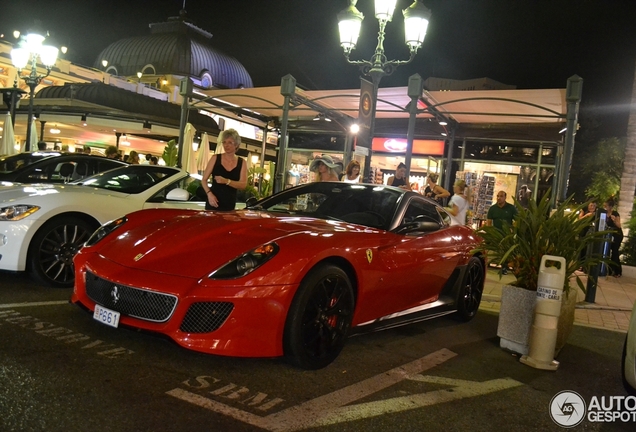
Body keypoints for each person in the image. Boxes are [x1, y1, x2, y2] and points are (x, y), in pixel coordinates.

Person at [201, 129, 247, 211]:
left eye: (230, 142)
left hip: (229, 203)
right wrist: (209, 194)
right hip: (213, 202)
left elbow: (243, 185)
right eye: (224, 142)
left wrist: (226, 181)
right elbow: (204, 180)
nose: (226, 145)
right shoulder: (215, 158)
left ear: (236, 145)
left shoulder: (242, 162)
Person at [486, 191, 517, 274]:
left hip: (506, 234)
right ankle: (488, 263)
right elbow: (489, 222)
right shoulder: (492, 209)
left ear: (505, 197)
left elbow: (517, 220)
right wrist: (490, 232)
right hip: (496, 233)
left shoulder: (511, 208)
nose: (499, 198)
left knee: (505, 250)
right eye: (498, 196)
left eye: (501, 196)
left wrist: (513, 230)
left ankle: (504, 267)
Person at [603, 198, 623, 278]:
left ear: (610, 207)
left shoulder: (615, 214)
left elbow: (619, 225)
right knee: (607, 252)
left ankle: (617, 271)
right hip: (609, 235)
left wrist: (614, 220)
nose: (605, 207)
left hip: (616, 235)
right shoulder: (604, 214)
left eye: (606, 206)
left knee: (614, 252)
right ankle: (610, 270)